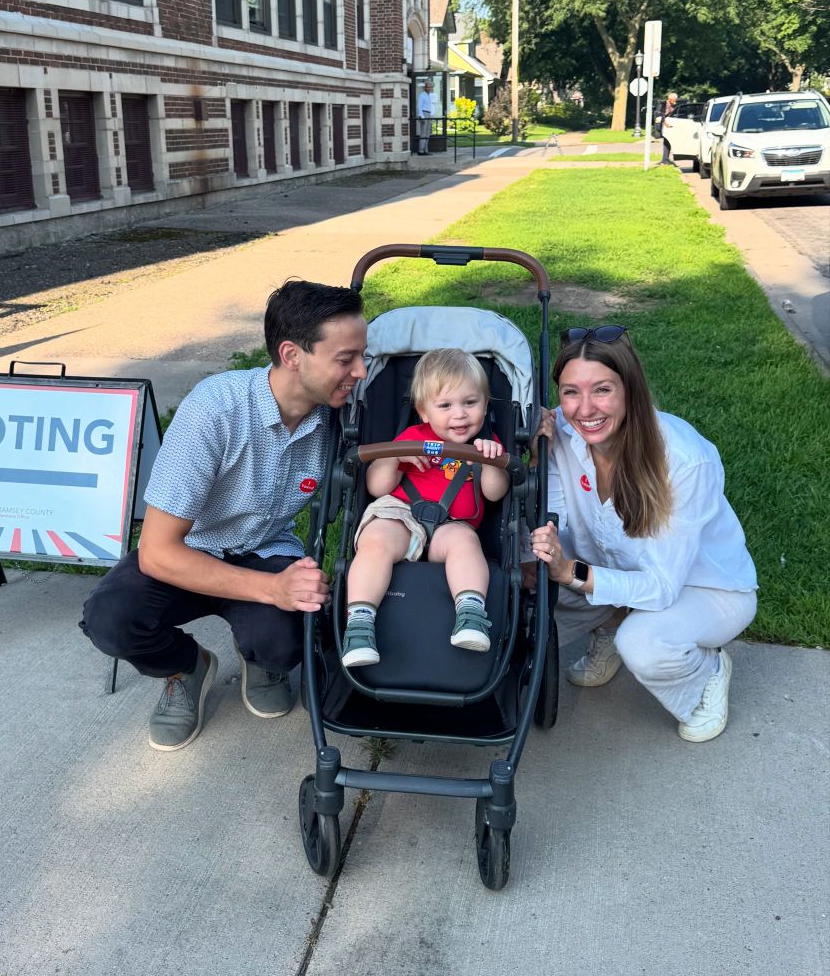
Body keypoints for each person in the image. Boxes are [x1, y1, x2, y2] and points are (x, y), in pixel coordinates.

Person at [79, 280, 367, 751]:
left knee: (290, 636)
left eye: (363, 355)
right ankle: (185, 667)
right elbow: (157, 552)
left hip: (267, 546)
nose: (360, 370)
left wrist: (531, 428)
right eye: (345, 359)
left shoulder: (345, 413)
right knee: (110, 618)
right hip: (191, 550)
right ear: (292, 355)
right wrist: (273, 590)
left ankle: (261, 656)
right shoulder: (214, 410)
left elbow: (435, 419)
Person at [529, 325, 757, 743]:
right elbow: (556, 520)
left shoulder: (685, 461)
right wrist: (531, 448)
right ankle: (609, 627)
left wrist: (569, 574)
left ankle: (706, 674)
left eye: (601, 390)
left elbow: (662, 587)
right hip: (618, 567)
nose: (583, 409)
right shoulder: (561, 430)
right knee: (523, 607)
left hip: (701, 587)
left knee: (645, 643)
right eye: (569, 392)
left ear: (630, 389)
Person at [341, 349, 510, 668]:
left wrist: (491, 463)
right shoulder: (410, 437)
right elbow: (377, 487)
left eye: (470, 403)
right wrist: (393, 458)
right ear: (424, 411)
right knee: (376, 539)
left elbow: (494, 493)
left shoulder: (485, 445)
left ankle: (471, 613)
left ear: (485, 405)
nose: (459, 415)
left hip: (453, 524)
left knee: (466, 544)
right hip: (401, 514)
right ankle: (360, 623)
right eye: (445, 405)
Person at [416, 80, 434, 155]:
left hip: (429, 114)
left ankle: (426, 150)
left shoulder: (429, 95)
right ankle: (421, 150)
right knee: (423, 133)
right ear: (425, 88)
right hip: (424, 113)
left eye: (430, 87)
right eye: (427, 87)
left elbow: (430, 106)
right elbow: (419, 106)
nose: (429, 88)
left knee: (427, 133)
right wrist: (422, 116)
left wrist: (432, 114)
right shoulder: (422, 95)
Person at [660, 92, 678, 163]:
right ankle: (664, 160)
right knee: (666, 142)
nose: (675, 101)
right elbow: (662, 115)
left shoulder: (672, 105)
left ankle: (666, 159)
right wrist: (665, 124)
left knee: (669, 143)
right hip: (665, 125)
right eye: (674, 100)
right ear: (670, 99)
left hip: (669, 126)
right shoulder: (664, 104)